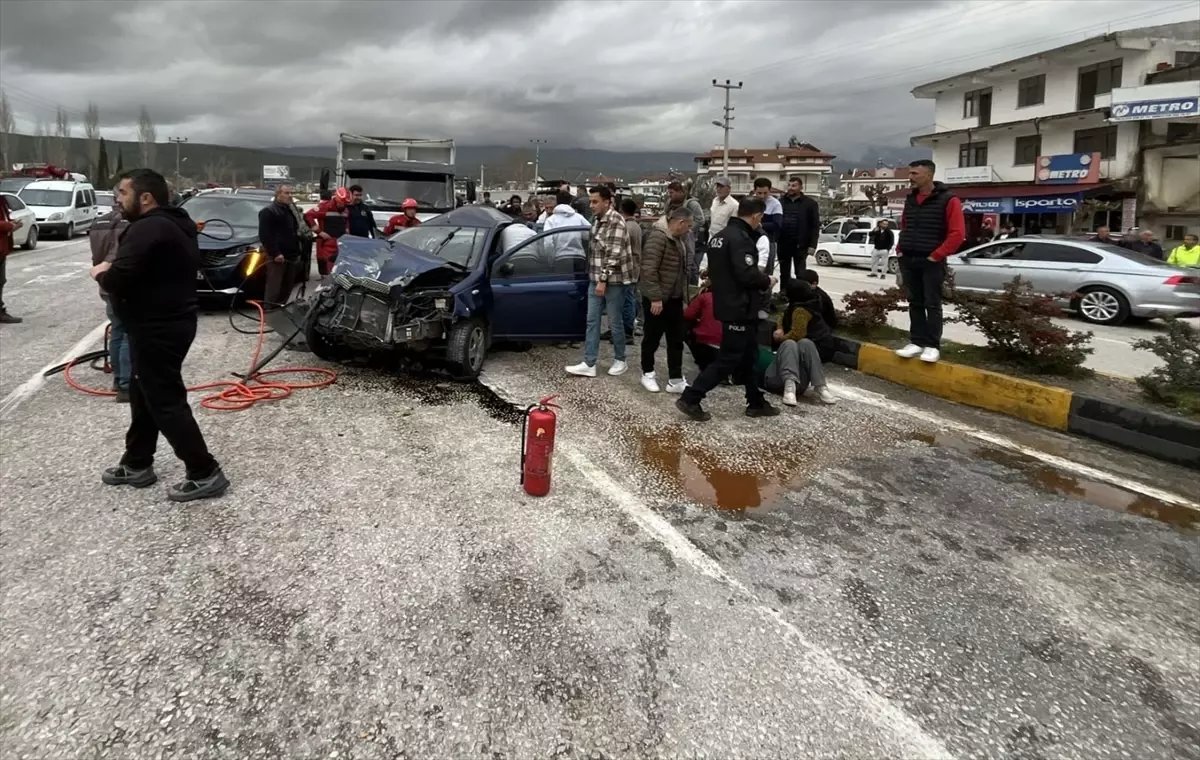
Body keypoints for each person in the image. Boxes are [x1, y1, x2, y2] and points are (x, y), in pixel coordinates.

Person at [91, 169, 228, 502]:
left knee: (165, 400)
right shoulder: (177, 223)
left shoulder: (148, 227)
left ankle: (204, 471)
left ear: (146, 197)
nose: (118, 200)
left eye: (123, 193)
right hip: (166, 323)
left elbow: (120, 278)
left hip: (157, 328)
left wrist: (102, 272)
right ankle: (137, 462)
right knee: (143, 392)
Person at [676, 197, 777, 422]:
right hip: (739, 307)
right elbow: (746, 274)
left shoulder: (719, 237)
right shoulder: (741, 239)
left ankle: (755, 401)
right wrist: (766, 280)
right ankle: (692, 397)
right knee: (729, 359)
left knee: (750, 354)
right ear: (756, 216)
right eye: (760, 218)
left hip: (728, 304)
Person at [894, 159, 965, 364]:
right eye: (910, 173)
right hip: (909, 258)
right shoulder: (911, 199)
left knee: (932, 303)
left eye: (915, 173)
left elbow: (957, 234)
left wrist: (936, 255)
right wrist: (900, 250)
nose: (911, 177)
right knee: (914, 302)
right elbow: (905, 225)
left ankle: (932, 345)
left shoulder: (948, 200)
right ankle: (916, 341)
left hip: (931, 260)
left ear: (929, 175)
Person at [565, 185, 635, 378]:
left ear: (607, 202)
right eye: (590, 201)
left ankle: (620, 360)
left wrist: (603, 279)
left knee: (614, 321)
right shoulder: (596, 221)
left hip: (614, 280)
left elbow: (614, 254)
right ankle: (589, 362)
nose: (592, 205)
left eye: (595, 201)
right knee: (592, 321)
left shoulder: (616, 221)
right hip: (595, 278)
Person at [639, 207, 693, 393]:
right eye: (689, 225)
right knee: (652, 338)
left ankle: (675, 378)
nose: (689, 229)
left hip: (675, 298)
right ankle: (647, 373)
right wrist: (655, 297)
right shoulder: (658, 237)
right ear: (680, 223)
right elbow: (648, 269)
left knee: (676, 339)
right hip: (658, 299)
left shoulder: (679, 240)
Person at [764, 280, 838, 406]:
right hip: (776, 380)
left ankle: (820, 385)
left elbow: (797, 334)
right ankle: (790, 386)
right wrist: (780, 327)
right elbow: (783, 315)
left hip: (800, 384)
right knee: (791, 344)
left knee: (802, 342)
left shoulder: (800, 310)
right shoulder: (809, 304)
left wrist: (779, 338)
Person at [89, 194, 131, 401]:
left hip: (105, 285)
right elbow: (117, 255)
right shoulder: (130, 224)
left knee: (117, 330)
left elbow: (96, 256)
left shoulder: (98, 222)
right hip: (123, 284)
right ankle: (126, 385)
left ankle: (118, 378)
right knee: (128, 333)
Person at [257, 184, 302, 307]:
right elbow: (265, 236)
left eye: (290, 193)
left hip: (291, 255)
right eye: (286, 193)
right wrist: (275, 253)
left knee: (287, 287)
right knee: (274, 287)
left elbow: (293, 231)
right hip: (277, 256)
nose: (290, 196)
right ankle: (269, 311)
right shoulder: (268, 212)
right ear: (278, 194)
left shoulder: (289, 211)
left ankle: (279, 310)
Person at [779, 176, 821, 287]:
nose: (791, 188)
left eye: (794, 185)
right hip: (783, 244)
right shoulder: (781, 202)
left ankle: (801, 295)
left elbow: (815, 226)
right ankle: (784, 295)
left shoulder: (810, 203)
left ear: (801, 187)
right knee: (784, 273)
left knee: (801, 274)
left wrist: (813, 245)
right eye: (789, 185)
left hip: (801, 245)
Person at [665, 181, 705, 282]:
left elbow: (700, 219)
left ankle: (692, 286)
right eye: (669, 193)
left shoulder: (691, 203)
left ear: (680, 192)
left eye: (672, 193)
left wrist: (688, 230)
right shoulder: (669, 203)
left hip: (688, 237)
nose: (670, 195)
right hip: (673, 235)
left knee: (690, 264)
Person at [305, 187, 350, 276]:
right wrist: (319, 232)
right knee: (329, 271)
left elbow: (346, 223)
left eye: (345, 203)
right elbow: (308, 216)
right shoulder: (325, 207)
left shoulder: (345, 209)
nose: (343, 205)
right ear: (336, 199)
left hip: (341, 243)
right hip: (327, 244)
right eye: (341, 203)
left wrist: (347, 235)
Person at [683, 272, 722, 371]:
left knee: (684, 324)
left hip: (706, 340)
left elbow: (688, 314)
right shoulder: (734, 299)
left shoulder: (705, 296)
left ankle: (700, 359)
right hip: (726, 343)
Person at [619, 197, 642, 342]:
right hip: (635, 266)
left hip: (628, 267)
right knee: (629, 298)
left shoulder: (627, 228)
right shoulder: (636, 226)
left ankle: (627, 331)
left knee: (627, 300)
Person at [0, 194, 24, 324]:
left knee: (1, 281)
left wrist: (11, 223)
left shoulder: (2, 200)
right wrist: (9, 225)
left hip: (2, 248)